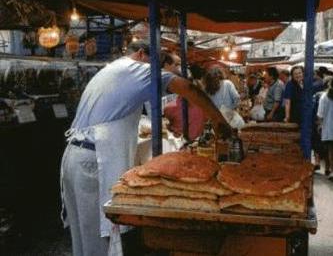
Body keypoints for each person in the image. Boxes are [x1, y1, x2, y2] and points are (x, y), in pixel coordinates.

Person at [60, 41, 232, 256]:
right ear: (142, 54)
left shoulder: (113, 69)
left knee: (84, 237)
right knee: (99, 239)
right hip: (92, 162)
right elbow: (188, 87)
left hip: (76, 155)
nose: (158, 69)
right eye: (156, 63)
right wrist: (219, 122)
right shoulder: (138, 70)